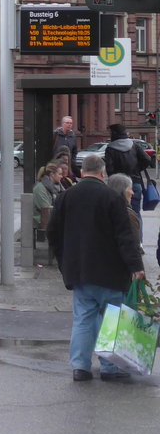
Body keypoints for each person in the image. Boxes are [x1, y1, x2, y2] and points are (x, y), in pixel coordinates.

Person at [46, 153, 145, 382]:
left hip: (80, 272)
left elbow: (53, 233)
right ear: (103, 173)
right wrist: (136, 267)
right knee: (111, 319)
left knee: (83, 318)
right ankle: (109, 368)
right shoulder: (112, 198)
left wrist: (64, 262)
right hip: (111, 272)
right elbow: (124, 238)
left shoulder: (65, 197)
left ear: (82, 172)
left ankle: (80, 367)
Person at [103, 123, 150, 218]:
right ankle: (137, 232)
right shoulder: (134, 145)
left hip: (118, 185)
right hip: (135, 183)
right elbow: (147, 159)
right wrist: (137, 169)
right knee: (135, 214)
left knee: (119, 215)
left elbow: (110, 169)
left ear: (114, 133)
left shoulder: (110, 148)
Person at [107, 173, 142, 248]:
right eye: (130, 188)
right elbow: (133, 245)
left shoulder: (102, 210)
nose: (132, 193)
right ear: (123, 191)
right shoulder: (128, 215)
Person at [32, 163, 60, 229]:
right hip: (40, 225)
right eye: (59, 174)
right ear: (52, 174)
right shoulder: (40, 188)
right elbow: (46, 209)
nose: (61, 176)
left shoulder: (49, 187)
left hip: (46, 222)